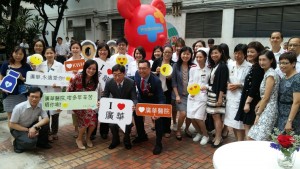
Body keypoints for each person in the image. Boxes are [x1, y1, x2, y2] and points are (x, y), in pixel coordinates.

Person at [67, 59, 101, 150]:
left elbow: (93, 95)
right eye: (89, 68)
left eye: (94, 69)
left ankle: (88, 137)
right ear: (85, 68)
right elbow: (68, 92)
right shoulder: (76, 77)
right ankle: (79, 139)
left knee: (94, 121)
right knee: (88, 116)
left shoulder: (95, 80)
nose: (91, 71)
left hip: (88, 104)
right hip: (76, 103)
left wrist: (97, 102)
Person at [134, 60, 165, 155]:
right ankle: (142, 135)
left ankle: (159, 143)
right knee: (136, 114)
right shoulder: (137, 74)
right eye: (140, 68)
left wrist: (159, 110)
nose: (141, 71)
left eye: (144, 68)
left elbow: (161, 97)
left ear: (149, 69)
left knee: (159, 120)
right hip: (142, 100)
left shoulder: (156, 81)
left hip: (154, 102)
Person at [235, 41, 265, 139]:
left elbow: (254, 87)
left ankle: (248, 149)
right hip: (248, 98)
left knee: (249, 127)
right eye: (248, 52)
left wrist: (247, 103)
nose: (249, 54)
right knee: (247, 126)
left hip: (252, 101)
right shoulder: (255, 66)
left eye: (252, 52)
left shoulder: (258, 68)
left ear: (259, 53)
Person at [103, 64, 137, 150]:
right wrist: (102, 103)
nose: (117, 77)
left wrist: (134, 104)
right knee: (112, 124)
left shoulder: (131, 82)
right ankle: (115, 139)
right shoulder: (109, 82)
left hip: (127, 108)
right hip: (115, 108)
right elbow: (105, 97)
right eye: (115, 75)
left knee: (128, 124)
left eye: (119, 74)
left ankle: (126, 139)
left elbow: (134, 98)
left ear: (124, 74)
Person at [248, 50, 279, 140]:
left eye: (264, 60)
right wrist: (259, 103)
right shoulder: (267, 73)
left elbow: (266, 97)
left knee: (257, 139)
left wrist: (258, 114)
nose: (261, 62)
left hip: (269, 109)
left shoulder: (270, 74)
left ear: (271, 60)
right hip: (266, 107)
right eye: (260, 60)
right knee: (254, 136)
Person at [10, 87, 51, 153]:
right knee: (30, 142)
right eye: (32, 96)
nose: (34, 99)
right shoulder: (19, 107)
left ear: (40, 98)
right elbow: (12, 124)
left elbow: (46, 119)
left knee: (45, 125)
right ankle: (17, 144)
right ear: (28, 96)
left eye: (37, 97)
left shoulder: (40, 105)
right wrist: (28, 130)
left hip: (31, 125)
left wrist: (34, 127)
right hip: (18, 128)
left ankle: (42, 143)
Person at [36, 47, 64, 142]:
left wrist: (59, 85)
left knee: (55, 114)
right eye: (47, 53)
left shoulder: (60, 65)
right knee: (45, 115)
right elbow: (35, 77)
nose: (49, 55)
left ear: (55, 54)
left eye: (51, 53)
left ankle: (54, 132)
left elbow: (64, 79)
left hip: (55, 93)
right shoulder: (40, 65)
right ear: (44, 54)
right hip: (44, 93)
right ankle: (47, 132)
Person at [224, 44, 251, 141]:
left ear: (244, 55)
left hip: (241, 97)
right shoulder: (230, 64)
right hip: (230, 96)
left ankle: (240, 142)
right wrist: (227, 84)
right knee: (232, 122)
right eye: (235, 53)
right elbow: (226, 78)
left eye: (240, 53)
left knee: (239, 123)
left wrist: (239, 85)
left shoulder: (249, 67)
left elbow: (250, 84)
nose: (237, 56)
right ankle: (237, 141)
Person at [0, 47, 32, 128]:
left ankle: (20, 136)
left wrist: (22, 78)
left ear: (24, 55)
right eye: (16, 53)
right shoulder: (6, 64)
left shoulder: (26, 66)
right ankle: (13, 137)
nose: (18, 56)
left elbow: (30, 81)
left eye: (21, 54)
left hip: (22, 95)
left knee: (21, 117)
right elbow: (1, 78)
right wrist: (2, 88)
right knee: (11, 118)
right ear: (12, 53)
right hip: (8, 95)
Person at [206, 45, 229, 148]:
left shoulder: (223, 66)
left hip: (217, 95)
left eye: (216, 53)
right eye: (212, 53)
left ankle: (218, 138)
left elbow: (222, 83)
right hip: (212, 93)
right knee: (215, 116)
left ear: (221, 53)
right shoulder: (216, 65)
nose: (214, 55)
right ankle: (217, 137)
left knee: (217, 116)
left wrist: (220, 98)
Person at [187, 49, 211, 145]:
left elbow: (210, 83)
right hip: (192, 96)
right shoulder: (193, 69)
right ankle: (200, 133)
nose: (198, 59)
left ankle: (206, 135)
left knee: (199, 118)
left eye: (200, 57)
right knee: (192, 117)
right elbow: (190, 82)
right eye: (197, 57)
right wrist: (190, 91)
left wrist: (207, 87)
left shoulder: (209, 69)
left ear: (205, 57)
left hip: (202, 96)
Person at [151, 45, 175, 138]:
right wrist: (156, 72)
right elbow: (151, 74)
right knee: (158, 110)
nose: (167, 54)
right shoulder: (157, 61)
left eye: (169, 52)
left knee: (167, 110)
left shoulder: (173, 64)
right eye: (165, 52)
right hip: (157, 90)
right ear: (162, 53)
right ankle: (159, 129)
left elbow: (175, 79)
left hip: (167, 90)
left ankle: (167, 129)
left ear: (172, 53)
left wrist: (170, 77)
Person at [172, 46, 195, 140]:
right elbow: (174, 82)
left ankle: (187, 129)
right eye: (184, 53)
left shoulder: (193, 66)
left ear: (191, 55)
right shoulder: (176, 66)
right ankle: (178, 130)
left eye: (188, 54)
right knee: (183, 113)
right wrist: (177, 95)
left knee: (190, 114)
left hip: (191, 95)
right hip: (179, 94)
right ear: (180, 54)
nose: (185, 56)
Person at [277, 52, 300, 135]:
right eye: (280, 63)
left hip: (293, 116)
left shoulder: (297, 79)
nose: (282, 65)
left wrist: (289, 121)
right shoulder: (284, 77)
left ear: (293, 64)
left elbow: (297, 102)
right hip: (281, 115)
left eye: (285, 63)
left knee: (291, 143)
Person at [92, 42, 111, 140]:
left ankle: (104, 131)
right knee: (93, 112)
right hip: (94, 90)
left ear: (108, 51)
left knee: (105, 111)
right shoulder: (93, 61)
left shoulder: (111, 62)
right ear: (97, 51)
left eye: (105, 50)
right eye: (101, 50)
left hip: (106, 91)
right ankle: (92, 132)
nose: (103, 52)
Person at [65, 42, 84, 138]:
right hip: (72, 89)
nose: (75, 49)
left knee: (83, 110)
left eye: (77, 48)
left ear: (80, 49)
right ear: (71, 49)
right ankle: (76, 129)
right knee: (74, 111)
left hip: (83, 89)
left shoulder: (85, 61)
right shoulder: (68, 62)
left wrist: (79, 73)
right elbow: (65, 77)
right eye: (73, 48)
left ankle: (83, 128)